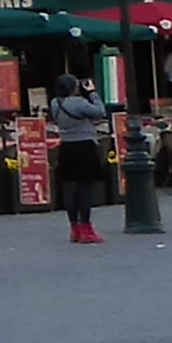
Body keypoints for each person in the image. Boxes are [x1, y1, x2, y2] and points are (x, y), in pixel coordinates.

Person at [47, 72, 114, 244]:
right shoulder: (78, 103)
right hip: (84, 146)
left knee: (70, 188)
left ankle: (74, 228)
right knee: (85, 188)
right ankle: (86, 227)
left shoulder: (55, 103)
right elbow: (100, 112)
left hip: (66, 147)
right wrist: (92, 92)